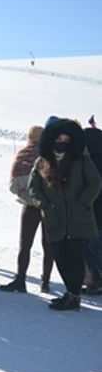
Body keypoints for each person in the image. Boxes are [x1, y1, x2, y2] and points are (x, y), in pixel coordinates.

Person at [30, 119, 102, 311]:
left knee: (75, 257)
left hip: (79, 219)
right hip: (54, 219)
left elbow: (94, 182)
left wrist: (83, 202)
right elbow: (34, 187)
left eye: (66, 139)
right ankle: (70, 292)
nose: (62, 142)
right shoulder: (42, 162)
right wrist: (44, 205)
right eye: (58, 138)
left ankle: (74, 295)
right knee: (60, 256)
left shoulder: (81, 160)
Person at [0, 126, 52, 293]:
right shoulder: (50, 155)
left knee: (25, 244)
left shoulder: (23, 154)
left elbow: (13, 185)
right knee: (48, 245)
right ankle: (45, 281)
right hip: (48, 206)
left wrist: (26, 194)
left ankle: (20, 279)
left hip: (30, 206)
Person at [84, 121, 102, 295]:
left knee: (93, 247)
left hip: (95, 213)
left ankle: (97, 279)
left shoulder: (92, 163)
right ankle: (96, 280)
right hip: (93, 213)